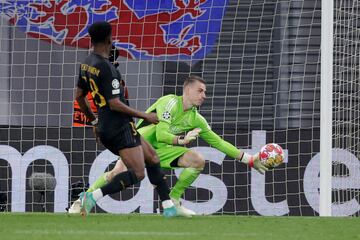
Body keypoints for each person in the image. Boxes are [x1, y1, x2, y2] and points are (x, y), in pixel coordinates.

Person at [72, 75, 268, 217]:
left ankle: (173, 200)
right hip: (137, 143)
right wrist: (181, 141)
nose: (204, 95)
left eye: (205, 92)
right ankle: (82, 200)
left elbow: (218, 142)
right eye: (200, 91)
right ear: (188, 90)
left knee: (198, 161)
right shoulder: (169, 102)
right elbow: (160, 133)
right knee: (116, 174)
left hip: (161, 151)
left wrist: (249, 159)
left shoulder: (196, 119)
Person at [73, 21, 177, 217]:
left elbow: (79, 95)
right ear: (109, 39)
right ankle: (91, 197)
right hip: (118, 126)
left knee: (153, 158)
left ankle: (169, 207)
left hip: (108, 125)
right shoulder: (108, 69)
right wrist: (145, 115)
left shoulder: (87, 63)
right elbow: (115, 104)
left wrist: (94, 122)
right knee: (138, 173)